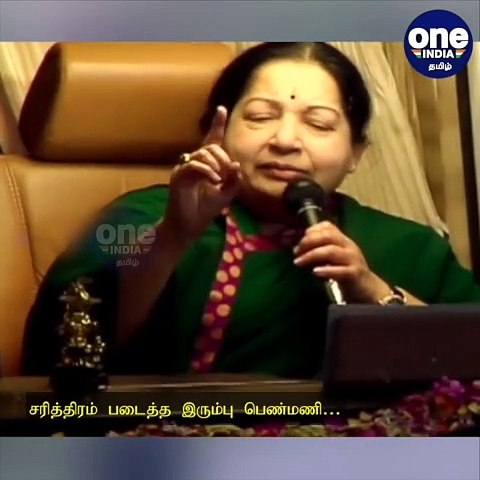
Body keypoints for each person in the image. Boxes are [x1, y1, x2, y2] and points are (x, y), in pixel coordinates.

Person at [22, 42, 480, 378]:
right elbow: (63, 351)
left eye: (319, 123)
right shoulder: (135, 218)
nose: (285, 140)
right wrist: (172, 237)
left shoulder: (407, 246)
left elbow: (468, 363)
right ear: (217, 130)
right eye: (260, 117)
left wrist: (372, 290)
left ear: (356, 152)